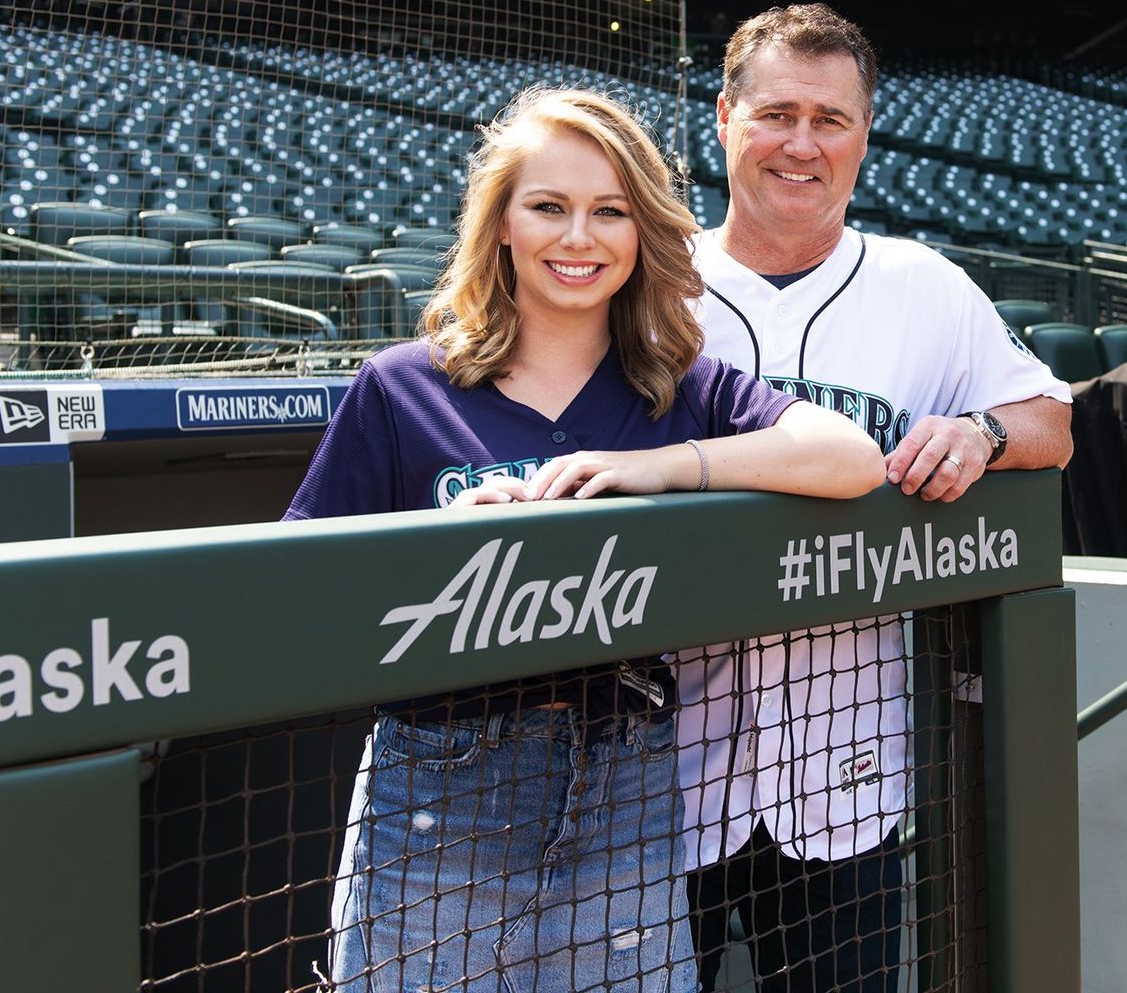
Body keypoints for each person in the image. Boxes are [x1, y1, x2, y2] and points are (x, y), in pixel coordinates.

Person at [290, 87, 885, 993]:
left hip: (628, 780)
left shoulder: (678, 388)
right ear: (500, 227)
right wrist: (433, 549)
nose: (579, 238)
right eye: (549, 208)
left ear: (642, 232)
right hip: (443, 789)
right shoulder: (403, 388)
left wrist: (663, 467)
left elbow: (850, 458)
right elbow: (297, 589)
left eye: (610, 211)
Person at [677, 4, 1073, 993]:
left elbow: (1051, 423)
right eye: (775, 113)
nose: (801, 144)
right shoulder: (649, 284)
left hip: (845, 772)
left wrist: (983, 434)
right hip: (660, 775)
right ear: (724, 118)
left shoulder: (921, 285)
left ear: (864, 133)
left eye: (831, 118)